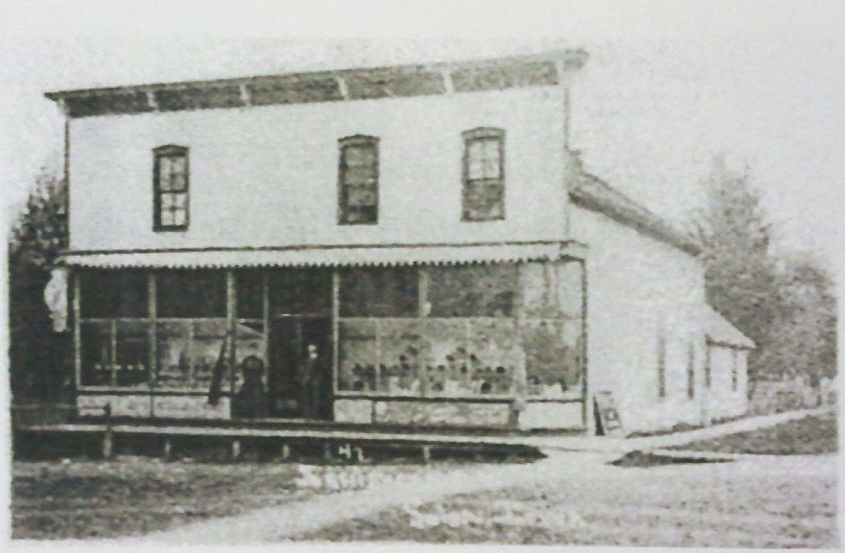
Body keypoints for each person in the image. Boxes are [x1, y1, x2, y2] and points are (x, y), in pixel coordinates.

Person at [236, 354, 267, 418]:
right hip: (250, 383)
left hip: (254, 383)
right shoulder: (247, 361)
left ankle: (255, 412)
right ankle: (248, 411)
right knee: (248, 396)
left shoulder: (257, 362)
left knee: (256, 396)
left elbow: (261, 371)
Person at [299, 343, 323, 419]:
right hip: (308, 381)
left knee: (315, 398)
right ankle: (308, 415)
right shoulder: (308, 358)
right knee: (307, 398)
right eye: (309, 349)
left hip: (315, 381)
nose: (309, 350)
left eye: (311, 349)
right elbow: (306, 370)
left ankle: (315, 415)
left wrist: (317, 379)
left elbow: (319, 370)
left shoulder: (318, 359)